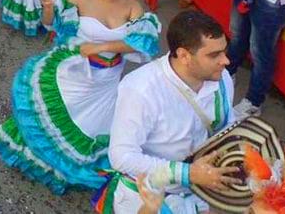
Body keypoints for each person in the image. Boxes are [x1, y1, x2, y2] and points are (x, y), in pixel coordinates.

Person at [0, 0, 161, 194]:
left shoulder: (132, 7)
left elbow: (144, 44)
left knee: (90, 129)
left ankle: (64, 171)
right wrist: (48, 7)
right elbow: (51, 25)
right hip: (74, 74)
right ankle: (34, 159)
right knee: (50, 121)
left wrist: (102, 46)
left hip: (106, 84)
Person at [97, 11, 239, 214]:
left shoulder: (222, 78)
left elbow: (226, 128)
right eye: (214, 55)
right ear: (184, 56)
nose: (225, 61)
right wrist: (187, 173)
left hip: (195, 195)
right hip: (146, 198)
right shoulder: (140, 88)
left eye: (224, 51)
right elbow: (121, 156)